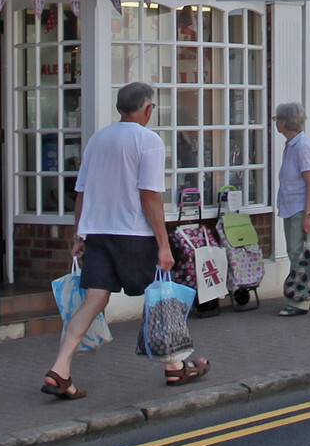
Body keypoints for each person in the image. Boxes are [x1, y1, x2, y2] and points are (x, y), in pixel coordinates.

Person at [42, 82, 206, 400]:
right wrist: (162, 244)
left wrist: (79, 235)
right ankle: (175, 366)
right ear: (147, 109)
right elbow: (150, 197)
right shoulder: (149, 141)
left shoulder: (97, 139)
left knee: (94, 300)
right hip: (134, 234)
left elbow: (82, 193)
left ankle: (60, 370)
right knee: (160, 296)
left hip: (99, 234)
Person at [273, 101, 310, 316]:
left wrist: (308, 215)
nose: (275, 123)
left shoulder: (302, 147)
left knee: (298, 254)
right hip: (296, 208)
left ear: (284, 123)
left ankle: (299, 301)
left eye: (276, 119)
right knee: (305, 253)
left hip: (301, 209)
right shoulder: (294, 144)